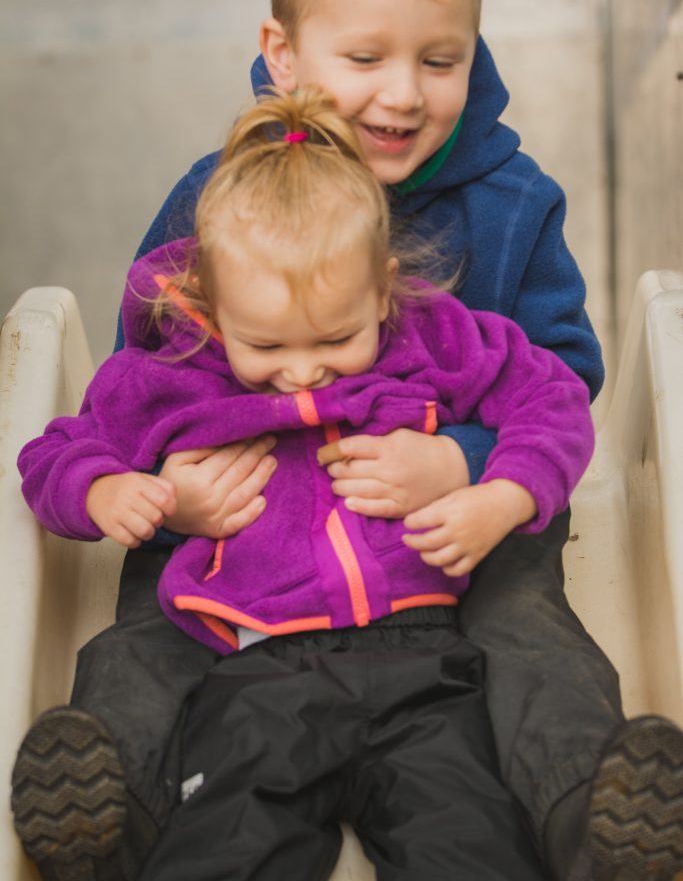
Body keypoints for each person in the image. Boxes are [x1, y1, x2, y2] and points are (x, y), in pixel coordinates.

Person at [11, 0, 683, 881]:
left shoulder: (506, 200)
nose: (403, 92)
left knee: (526, 626)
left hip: (453, 523)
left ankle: (589, 813)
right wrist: (169, 493)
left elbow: (556, 371)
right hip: (243, 522)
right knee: (147, 629)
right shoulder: (218, 199)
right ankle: (116, 812)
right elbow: (139, 373)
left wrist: (463, 465)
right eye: (364, 55)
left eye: (439, 58)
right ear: (281, 53)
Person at [17, 86, 597, 880]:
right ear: (214, 310)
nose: (301, 369)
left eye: (336, 335)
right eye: (264, 344)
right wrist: (108, 494)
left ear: (382, 288)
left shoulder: (429, 336)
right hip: (258, 670)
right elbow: (55, 451)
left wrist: (500, 492)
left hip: (425, 662)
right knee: (229, 838)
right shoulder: (172, 377)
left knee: (469, 841)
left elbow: (551, 394)